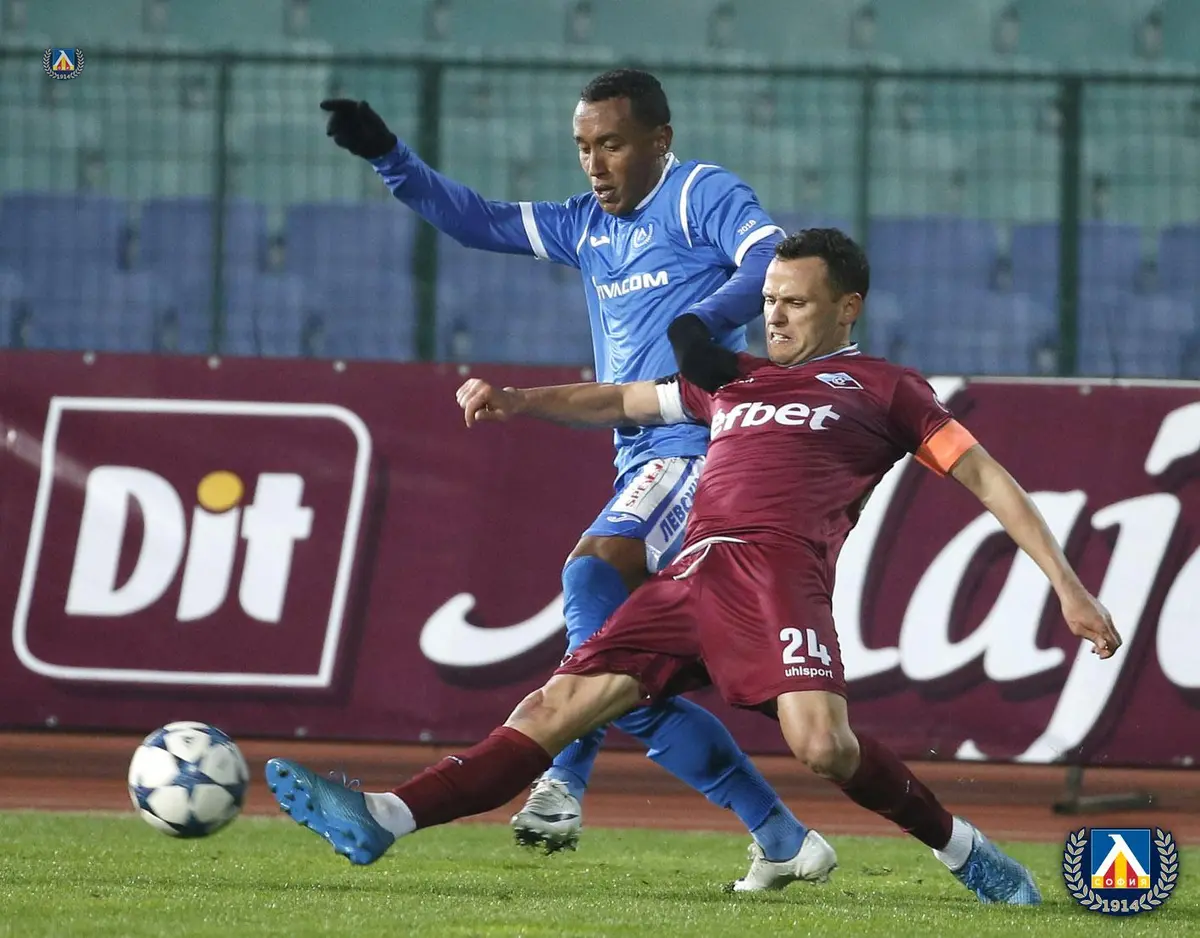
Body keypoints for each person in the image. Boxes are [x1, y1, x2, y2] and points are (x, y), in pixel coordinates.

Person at [265, 228, 1123, 903]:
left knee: (823, 748)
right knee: (555, 706)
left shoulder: (885, 389)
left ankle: (963, 850)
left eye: (794, 302)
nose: (774, 316)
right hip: (691, 575)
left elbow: (987, 478)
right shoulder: (734, 381)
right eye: (769, 300)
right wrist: (519, 400)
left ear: (848, 307)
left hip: (779, 575)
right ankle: (385, 815)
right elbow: (622, 398)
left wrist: (1069, 588)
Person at [317, 69, 815, 885]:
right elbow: (476, 220)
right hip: (642, 456)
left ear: (659, 140)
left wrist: (703, 322)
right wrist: (388, 156)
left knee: (589, 578)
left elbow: (768, 254)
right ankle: (779, 834)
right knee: (621, 671)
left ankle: (562, 779)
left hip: (702, 443)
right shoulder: (586, 224)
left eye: (611, 144)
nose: (593, 163)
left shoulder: (698, 194)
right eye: (583, 146)